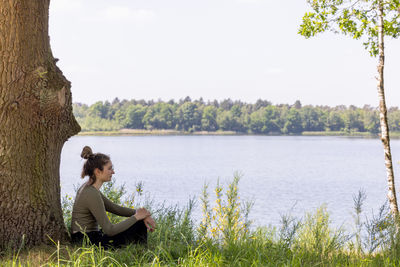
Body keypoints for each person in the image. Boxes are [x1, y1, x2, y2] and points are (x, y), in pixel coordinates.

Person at [70, 146, 156, 248]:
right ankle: (141, 251)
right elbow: (109, 230)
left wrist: (142, 213)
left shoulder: (89, 189)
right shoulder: (91, 193)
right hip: (86, 241)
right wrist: (137, 217)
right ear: (98, 171)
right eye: (110, 168)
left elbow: (115, 208)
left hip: (88, 237)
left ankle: (139, 249)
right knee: (138, 224)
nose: (113, 172)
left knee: (138, 221)